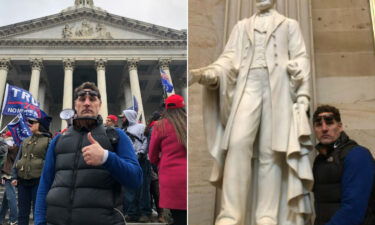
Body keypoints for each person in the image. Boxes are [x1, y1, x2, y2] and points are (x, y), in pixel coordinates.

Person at [189, 0, 313, 224]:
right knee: (237, 144)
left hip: (279, 88)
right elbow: (227, 60)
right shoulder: (241, 26)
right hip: (248, 85)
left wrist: (303, 94)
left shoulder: (289, 24)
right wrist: (208, 74)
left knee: (271, 151)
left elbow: (301, 57)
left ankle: (266, 214)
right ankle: (231, 214)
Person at [34, 82, 143, 225]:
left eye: (92, 99)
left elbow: (136, 180)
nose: (86, 103)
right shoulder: (58, 140)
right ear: (75, 104)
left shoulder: (117, 136)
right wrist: (39, 221)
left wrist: (107, 158)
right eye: (81, 99)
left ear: (99, 104)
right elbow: (45, 184)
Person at [312, 105, 375, 225]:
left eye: (329, 123)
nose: (324, 128)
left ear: (340, 127)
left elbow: (353, 210)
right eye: (318, 124)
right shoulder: (319, 160)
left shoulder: (357, 155)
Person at [149, 94, 187, 225]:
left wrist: (162, 163)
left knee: (178, 217)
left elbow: (152, 155)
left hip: (171, 177)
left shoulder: (160, 126)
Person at [12, 114, 52, 225]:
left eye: (34, 123)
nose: (30, 124)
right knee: (22, 213)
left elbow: (50, 162)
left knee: (38, 212)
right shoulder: (25, 141)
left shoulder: (49, 141)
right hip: (22, 180)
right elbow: (18, 159)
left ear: (41, 125)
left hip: (39, 181)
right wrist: (14, 176)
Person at [120, 109, 151, 222]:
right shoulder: (123, 130)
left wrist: (142, 152)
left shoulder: (141, 127)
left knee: (143, 188)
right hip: (128, 161)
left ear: (128, 117)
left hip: (141, 160)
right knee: (129, 188)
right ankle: (132, 212)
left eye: (123, 117)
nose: (122, 119)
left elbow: (146, 140)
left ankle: (145, 212)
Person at [0, 132, 18, 225]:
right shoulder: (16, 143)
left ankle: (14, 218)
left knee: (11, 198)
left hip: (9, 173)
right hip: (10, 172)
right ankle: (1, 217)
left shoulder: (12, 144)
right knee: (6, 199)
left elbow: (7, 151)